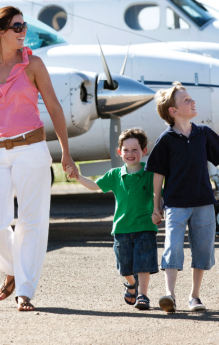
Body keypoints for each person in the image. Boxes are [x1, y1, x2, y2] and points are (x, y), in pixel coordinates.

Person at [0, 6, 78, 312]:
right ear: (0, 31)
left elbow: (54, 108)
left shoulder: (33, 64)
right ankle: (12, 269)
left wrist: (66, 153)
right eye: (16, 26)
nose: (22, 30)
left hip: (32, 150)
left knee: (31, 222)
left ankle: (24, 290)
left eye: (23, 26)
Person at [145, 82, 219, 313]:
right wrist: (157, 206)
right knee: (172, 247)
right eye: (186, 100)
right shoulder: (165, 140)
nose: (192, 102)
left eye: (191, 99)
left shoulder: (204, 133)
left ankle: (194, 297)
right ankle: (169, 295)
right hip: (175, 204)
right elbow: (157, 175)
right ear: (173, 111)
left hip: (204, 202)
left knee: (202, 249)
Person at [66, 128, 158, 310]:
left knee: (143, 264)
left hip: (145, 226)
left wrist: (159, 211)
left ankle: (143, 295)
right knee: (124, 267)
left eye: (135, 149)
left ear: (144, 151)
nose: (130, 154)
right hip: (121, 228)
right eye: (126, 150)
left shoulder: (150, 175)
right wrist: (77, 176)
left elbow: (159, 195)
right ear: (119, 152)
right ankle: (131, 284)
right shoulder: (115, 174)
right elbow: (94, 185)